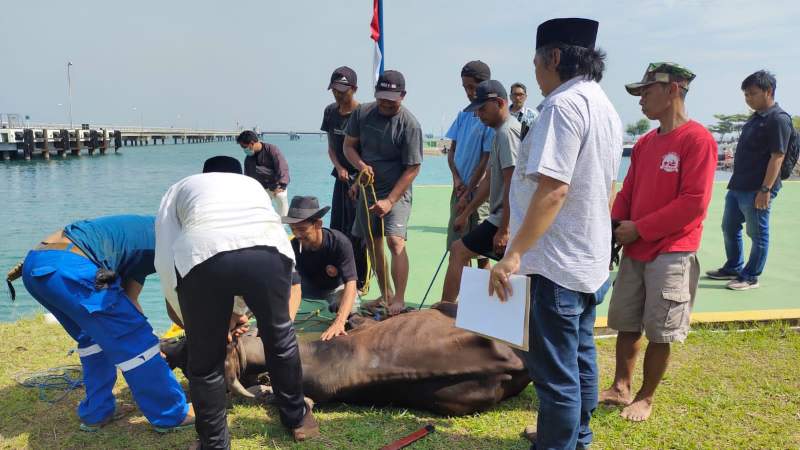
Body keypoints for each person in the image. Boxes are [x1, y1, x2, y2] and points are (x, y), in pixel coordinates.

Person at [488, 18, 622, 449]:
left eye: (536, 64)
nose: (535, 74)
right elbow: (608, 185)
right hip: (588, 259)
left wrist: (513, 254)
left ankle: (558, 442)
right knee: (581, 358)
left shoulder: (562, 107)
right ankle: (578, 437)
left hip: (555, 263)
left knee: (554, 376)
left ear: (556, 57)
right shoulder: (604, 105)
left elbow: (554, 188)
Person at [155, 156, 318, 449]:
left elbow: (167, 254)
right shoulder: (253, 185)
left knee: (205, 364)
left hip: (202, 256)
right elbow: (248, 248)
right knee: (280, 339)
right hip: (270, 252)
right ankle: (297, 418)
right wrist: (239, 313)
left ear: (203, 174)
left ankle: (214, 444)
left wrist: (187, 313)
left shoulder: (181, 187)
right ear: (238, 174)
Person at [599, 63, 717, 422]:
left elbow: (694, 202)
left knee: (661, 329)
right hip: (636, 246)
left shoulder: (698, 139)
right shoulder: (646, 143)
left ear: (673, 90)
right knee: (627, 321)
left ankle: (645, 397)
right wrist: (614, 224)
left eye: (647, 92)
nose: (641, 100)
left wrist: (641, 228)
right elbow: (629, 190)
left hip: (673, 250)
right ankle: (621, 386)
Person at [21, 215, 195, 433]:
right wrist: (148, 346)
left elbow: (130, 300)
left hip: (38, 266)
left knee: (95, 337)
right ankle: (172, 414)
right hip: (72, 267)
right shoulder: (178, 244)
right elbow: (176, 306)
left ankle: (98, 412)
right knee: (136, 340)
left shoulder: (147, 235)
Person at [343, 70, 423, 315]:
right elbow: (348, 146)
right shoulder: (362, 113)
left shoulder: (410, 125)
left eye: (392, 98)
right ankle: (385, 294)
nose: (386, 103)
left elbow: (413, 168)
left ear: (403, 96)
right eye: (382, 97)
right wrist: (360, 168)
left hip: (395, 189)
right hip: (367, 188)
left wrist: (390, 201)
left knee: (395, 242)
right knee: (372, 243)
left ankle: (398, 299)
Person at [706, 70, 791, 290]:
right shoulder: (756, 117)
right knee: (729, 226)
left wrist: (765, 190)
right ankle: (734, 266)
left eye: (752, 93)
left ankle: (751, 276)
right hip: (739, 185)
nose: (748, 98)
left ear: (768, 91)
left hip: (757, 188)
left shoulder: (778, 119)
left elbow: (778, 156)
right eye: (745, 94)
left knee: (757, 233)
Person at [440, 80, 520, 303]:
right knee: (466, 252)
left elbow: (512, 184)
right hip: (499, 218)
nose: (478, 115)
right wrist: (466, 211)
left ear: (500, 103)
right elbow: (490, 180)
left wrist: (504, 229)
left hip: (506, 220)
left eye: (483, 109)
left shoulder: (507, 133)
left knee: (459, 251)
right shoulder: (499, 132)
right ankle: (479, 307)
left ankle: (444, 312)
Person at [283, 196, 359, 341]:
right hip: (305, 288)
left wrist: (339, 322)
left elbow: (351, 283)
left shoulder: (339, 242)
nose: (297, 235)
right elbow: (294, 287)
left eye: (302, 229)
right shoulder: (292, 246)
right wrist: (285, 325)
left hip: (333, 289)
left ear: (318, 224)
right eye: (293, 229)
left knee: (352, 309)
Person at [320, 66, 368, 290]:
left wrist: (358, 180)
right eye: (334, 90)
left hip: (361, 180)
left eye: (343, 90)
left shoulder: (364, 114)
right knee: (337, 228)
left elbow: (370, 153)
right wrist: (339, 167)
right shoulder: (330, 112)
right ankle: (339, 276)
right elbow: (331, 147)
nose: (338, 95)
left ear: (354, 89)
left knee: (357, 232)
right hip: (340, 178)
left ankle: (359, 281)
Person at [445, 61, 495, 271]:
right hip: (460, 191)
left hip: (480, 194)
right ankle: (459, 300)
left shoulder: (489, 119)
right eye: (465, 87)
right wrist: (457, 180)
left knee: (482, 254)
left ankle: (487, 300)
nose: (469, 92)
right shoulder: (463, 114)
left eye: (473, 87)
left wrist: (469, 189)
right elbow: (452, 151)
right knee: (457, 248)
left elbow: (486, 160)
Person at [237, 130, 291, 216]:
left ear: (251, 143)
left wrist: (282, 185)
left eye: (244, 147)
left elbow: (282, 167)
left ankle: (283, 225)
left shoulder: (272, 149)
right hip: (261, 188)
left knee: (281, 198)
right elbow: (247, 177)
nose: (244, 149)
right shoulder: (248, 158)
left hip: (277, 185)